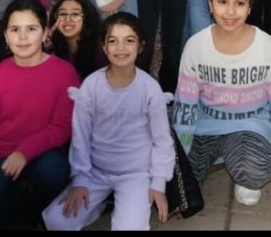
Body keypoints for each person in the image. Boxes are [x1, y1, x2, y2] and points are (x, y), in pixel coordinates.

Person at [0, 0, 80, 231]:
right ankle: (14, 206)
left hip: (42, 155)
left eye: (31, 29)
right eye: (15, 29)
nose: (22, 37)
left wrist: (24, 151)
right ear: (6, 36)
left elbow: (63, 127)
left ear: (44, 33)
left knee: (53, 170)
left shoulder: (64, 73)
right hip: (0, 156)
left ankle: (32, 211)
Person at [43, 13, 175, 231]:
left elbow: (162, 140)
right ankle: (95, 207)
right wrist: (80, 180)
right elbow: (81, 136)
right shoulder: (91, 86)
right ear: (104, 47)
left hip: (136, 173)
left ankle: (128, 206)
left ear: (140, 46)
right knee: (57, 221)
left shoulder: (149, 88)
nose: (120, 48)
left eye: (129, 40)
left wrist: (158, 184)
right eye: (113, 41)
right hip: (97, 170)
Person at [172, 0, 271, 207]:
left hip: (251, 123)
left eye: (240, 3)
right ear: (210, 4)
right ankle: (221, 156)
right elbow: (185, 103)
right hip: (205, 125)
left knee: (251, 185)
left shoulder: (269, 47)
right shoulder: (196, 46)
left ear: (250, 6)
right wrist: (182, 154)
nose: (231, 12)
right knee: (177, 185)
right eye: (223, 1)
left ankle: (238, 155)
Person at [48, 0, 106, 82]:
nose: (68, 19)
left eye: (75, 14)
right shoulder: (51, 49)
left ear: (87, 18)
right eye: (63, 14)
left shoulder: (100, 51)